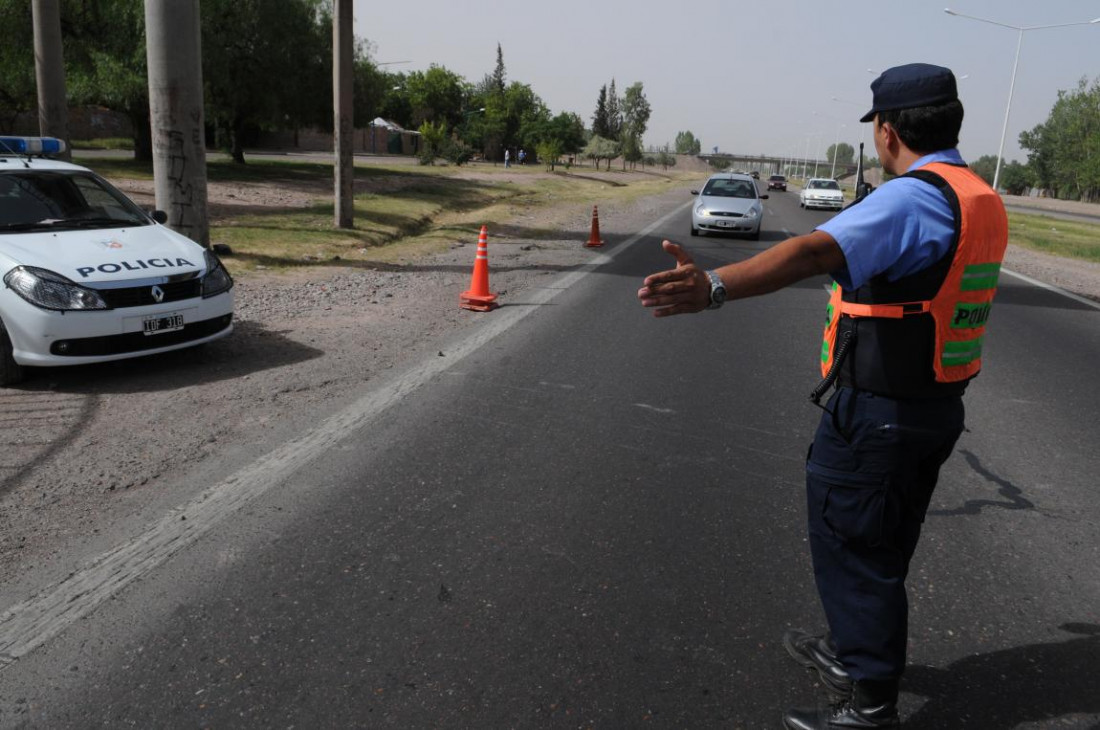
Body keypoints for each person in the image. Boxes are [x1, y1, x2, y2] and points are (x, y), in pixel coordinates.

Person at [637, 63, 1008, 729]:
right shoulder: (977, 194)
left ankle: (868, 703)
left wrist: (714, 286)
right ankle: (848, 648)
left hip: (880, 411)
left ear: (887, 132)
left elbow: (813, 252)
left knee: (854, 545)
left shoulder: (911, 198)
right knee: (884, 538)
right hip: (934, 404)